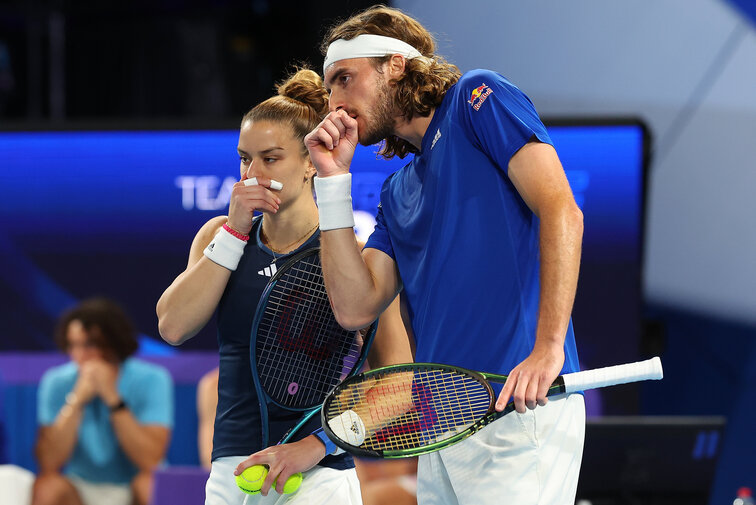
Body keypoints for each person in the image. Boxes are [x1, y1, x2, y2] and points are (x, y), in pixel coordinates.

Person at [304, 6, 586, 505]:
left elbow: (561, 209)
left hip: (519, 409)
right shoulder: (396, 191)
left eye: (344, 79)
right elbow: (355, 307)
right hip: (444, 427)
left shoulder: (478, 97)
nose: (335, 104)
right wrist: (331, 181)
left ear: (395, 65)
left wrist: (548, 348)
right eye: (329, 90)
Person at [157, 67, 412, 505]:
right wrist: (235, 231)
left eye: (270, 158)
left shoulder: (361, 257)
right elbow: (173, 327)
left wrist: (319, 445)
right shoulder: (218, 234)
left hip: (320, 479)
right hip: (231, 477)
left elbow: (397, 385)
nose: (252, 173)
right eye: (244, 158)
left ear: (312, 161)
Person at [32, 297, 174, 505]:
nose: (80, 356)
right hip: (80, 486)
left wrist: (113, 398)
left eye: (89, 345)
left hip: (133, 486)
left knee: (151, 484)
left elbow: (150, 460)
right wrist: (76, 401)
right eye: (73, 346)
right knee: (48, 488)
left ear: (114, 343)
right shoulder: (56, 381)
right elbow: (48, 463)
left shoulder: (153, 379)